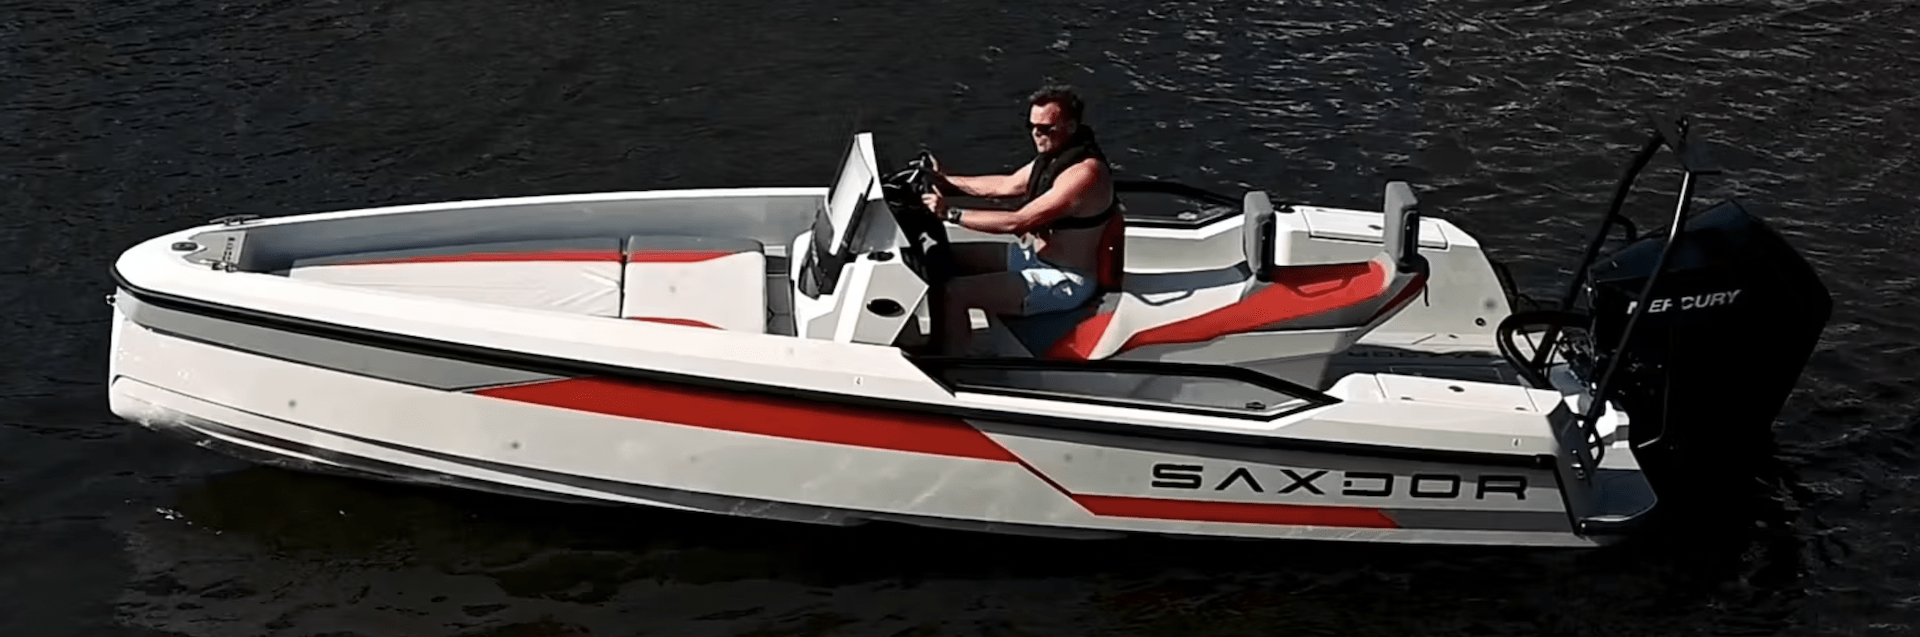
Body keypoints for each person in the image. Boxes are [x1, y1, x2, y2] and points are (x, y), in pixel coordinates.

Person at [919, 85, 1124, 356]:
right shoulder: (1054, 157)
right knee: (939, 256)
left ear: (1071, 126)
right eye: (1032, 126)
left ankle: (954, 369)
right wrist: (945, 181)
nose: (1036, 134)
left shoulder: (1084, 175)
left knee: (956, 293)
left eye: (1046, 128)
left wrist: (951, 214)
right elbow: (1007, 185)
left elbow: (1018, 222)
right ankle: (939, 342)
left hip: (1064, 279)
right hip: (1033, 258)